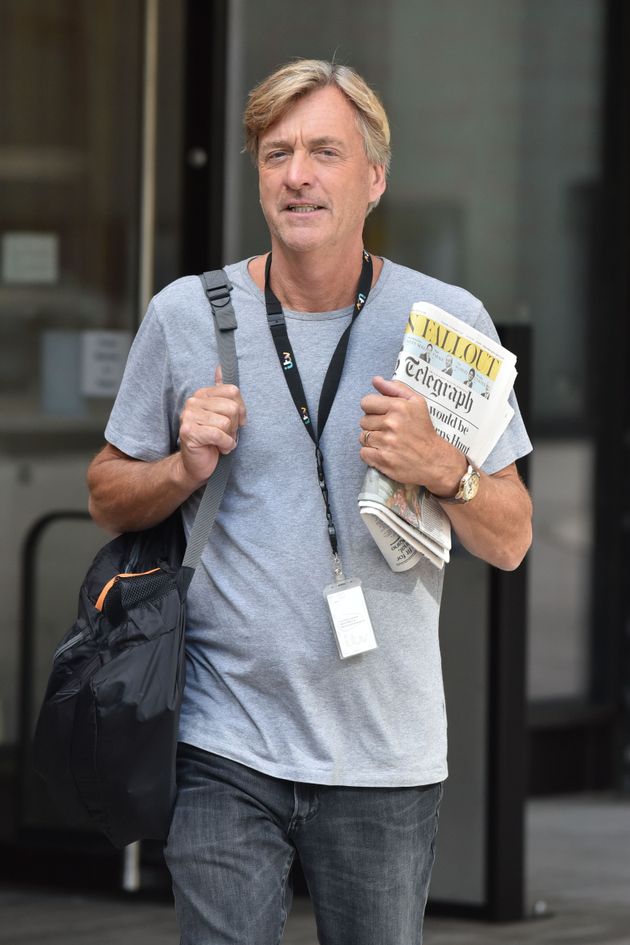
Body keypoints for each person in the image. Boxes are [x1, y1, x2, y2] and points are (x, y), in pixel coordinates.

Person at [87, 59, 532, 945]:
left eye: (324, 152)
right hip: (224, 739)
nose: (298, 175)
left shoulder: (443, 323)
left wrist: (447, 467)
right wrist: (181, 466)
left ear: (373, 178)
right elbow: (107, 492)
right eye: (278, 153)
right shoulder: (187, 314)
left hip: (384, 754)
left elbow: (514, 536)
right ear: (258, 177)